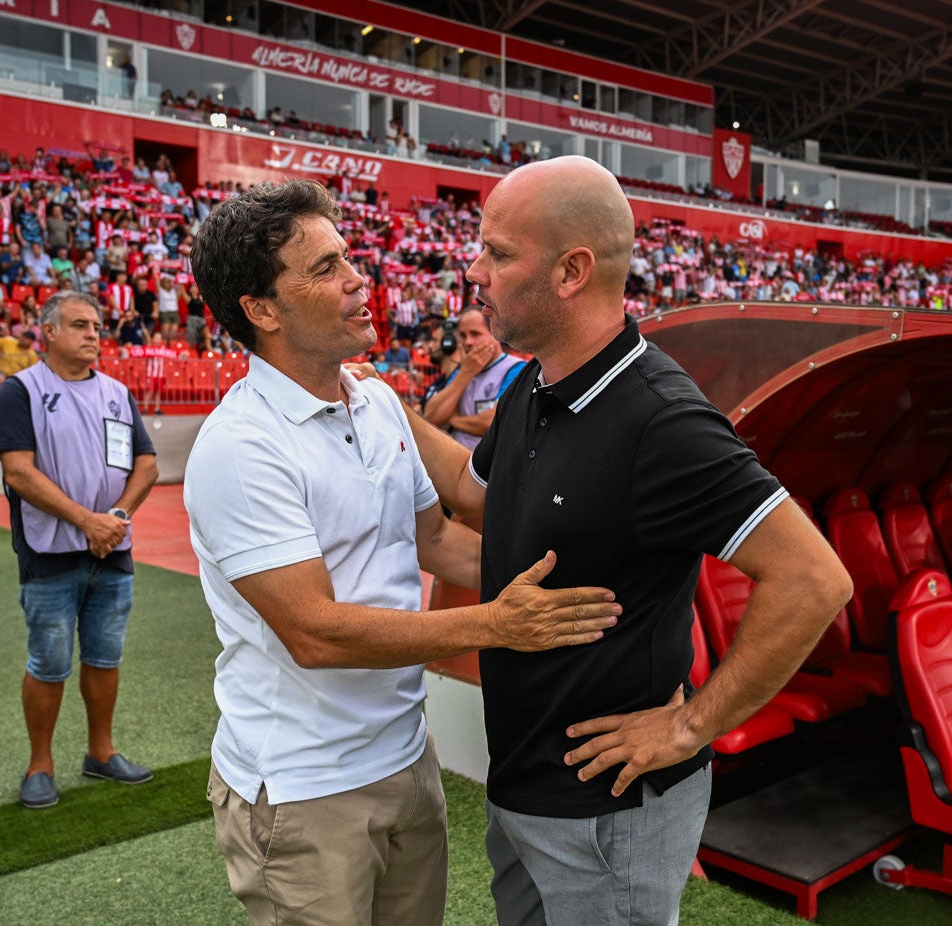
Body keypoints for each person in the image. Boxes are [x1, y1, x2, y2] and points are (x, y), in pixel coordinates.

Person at [395, 156, 853, 925]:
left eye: (498, 253)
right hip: (525, 786)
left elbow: (814, 580)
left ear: (571, 271)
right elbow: (476, 495)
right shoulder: (534, 382)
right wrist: (389, 412)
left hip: (605, 814)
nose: (474, 272)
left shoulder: (659, 421)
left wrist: (689, 725)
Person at [184, 179, 622, 926]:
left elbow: (437, 536)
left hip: (404, 756)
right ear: (262, 311)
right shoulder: (241, 446)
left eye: (347, 257)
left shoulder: (376, 402)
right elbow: (315, 633)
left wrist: (573, 581)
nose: (358, 279)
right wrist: (498, 624)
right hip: (304, 785)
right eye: (325, 268)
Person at [0, 292, 159, 810]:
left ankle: (101, 752)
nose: (93, 334)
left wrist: (117, 517)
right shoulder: (20, 391)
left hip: (112, 550)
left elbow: (146, 465)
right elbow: (18, 472)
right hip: (50, 554)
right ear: (49, 332)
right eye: (80, 325)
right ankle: (40, 765)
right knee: (49, 661)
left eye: (97, 326)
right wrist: (88, 521)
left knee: (105, 657)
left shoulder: (116, 393)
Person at [421, 307, 524, 450]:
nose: (467, 342)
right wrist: (466, 373)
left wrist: (453, 419)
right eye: (463, 335)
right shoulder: (465, 369)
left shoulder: (516, 369)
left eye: (475, 334)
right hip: (459, 460)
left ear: (495, 333)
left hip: (492, 461)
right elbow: (431, 417)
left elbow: (493, 423)